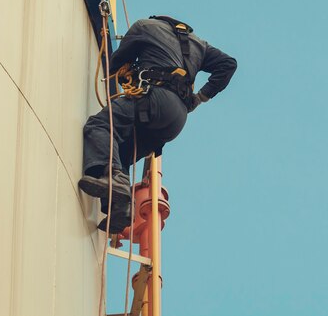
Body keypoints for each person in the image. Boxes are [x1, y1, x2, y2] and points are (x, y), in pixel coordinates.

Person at [79, 15, 237, 233]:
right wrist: (200, 97)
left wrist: (128, 71)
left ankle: (115, 180)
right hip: (176, 118)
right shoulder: (199, 44)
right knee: (121, 152)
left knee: (101, 127)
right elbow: (228, 65)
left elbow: (115, 65)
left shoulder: (145, 26)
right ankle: (121, 207)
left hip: (153, 99)